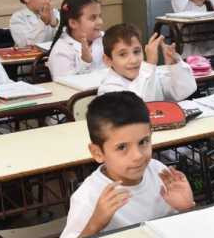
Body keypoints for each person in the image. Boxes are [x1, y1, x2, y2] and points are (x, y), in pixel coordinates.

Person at [59, 92, 195, 237]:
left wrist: (186, 208)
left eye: (143, 142)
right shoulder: (88, 197)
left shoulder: (159, 172)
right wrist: (95, 224)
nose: (137, 156)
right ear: (97, 153)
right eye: (122, 147)